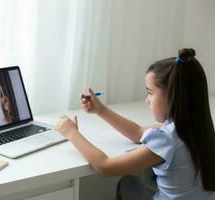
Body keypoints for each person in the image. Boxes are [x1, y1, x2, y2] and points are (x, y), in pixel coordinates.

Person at [55, 48, 215, 200]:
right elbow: (138, 133)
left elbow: (105, 167)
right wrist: (100, 110)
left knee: (127, 182)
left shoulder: (166, 139)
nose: (147, 100)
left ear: (173, 96)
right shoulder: (199, 128)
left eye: (150, 93)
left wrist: (71, 133)